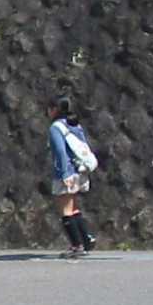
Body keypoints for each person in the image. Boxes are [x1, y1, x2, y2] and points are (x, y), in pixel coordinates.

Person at [48, 95, 97, 257]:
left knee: (65, 209)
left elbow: (61, 152)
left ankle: (77, 245)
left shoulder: (55, 127)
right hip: (79, 170)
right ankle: (86, 238)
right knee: (74, 206)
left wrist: (64, 174)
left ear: (54, 109)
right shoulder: (74, 124)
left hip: (66, 172)